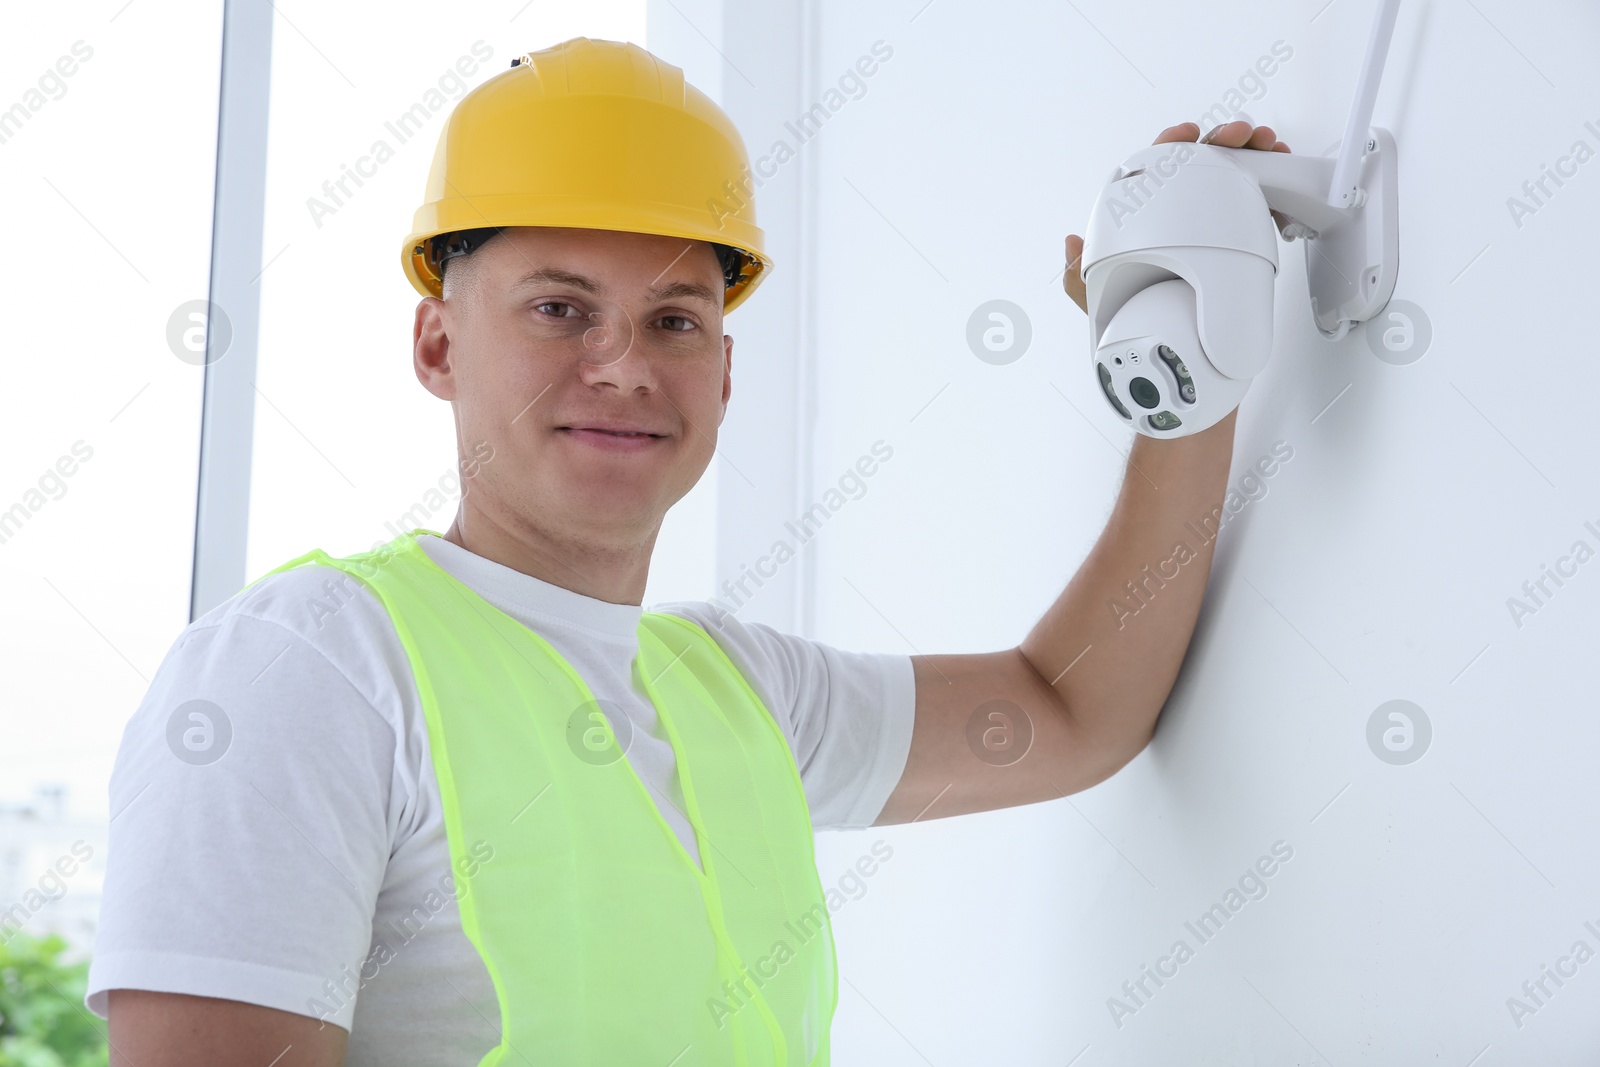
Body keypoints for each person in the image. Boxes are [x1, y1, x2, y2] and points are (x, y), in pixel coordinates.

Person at [86, 35, 1289, 1067]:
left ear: (724, 371)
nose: (623, 365)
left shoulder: (738, 690)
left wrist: (1185, 372)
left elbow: (1066, 709)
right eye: (559, 306)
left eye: (675, 319)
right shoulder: (311, 668)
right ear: (438, 344)